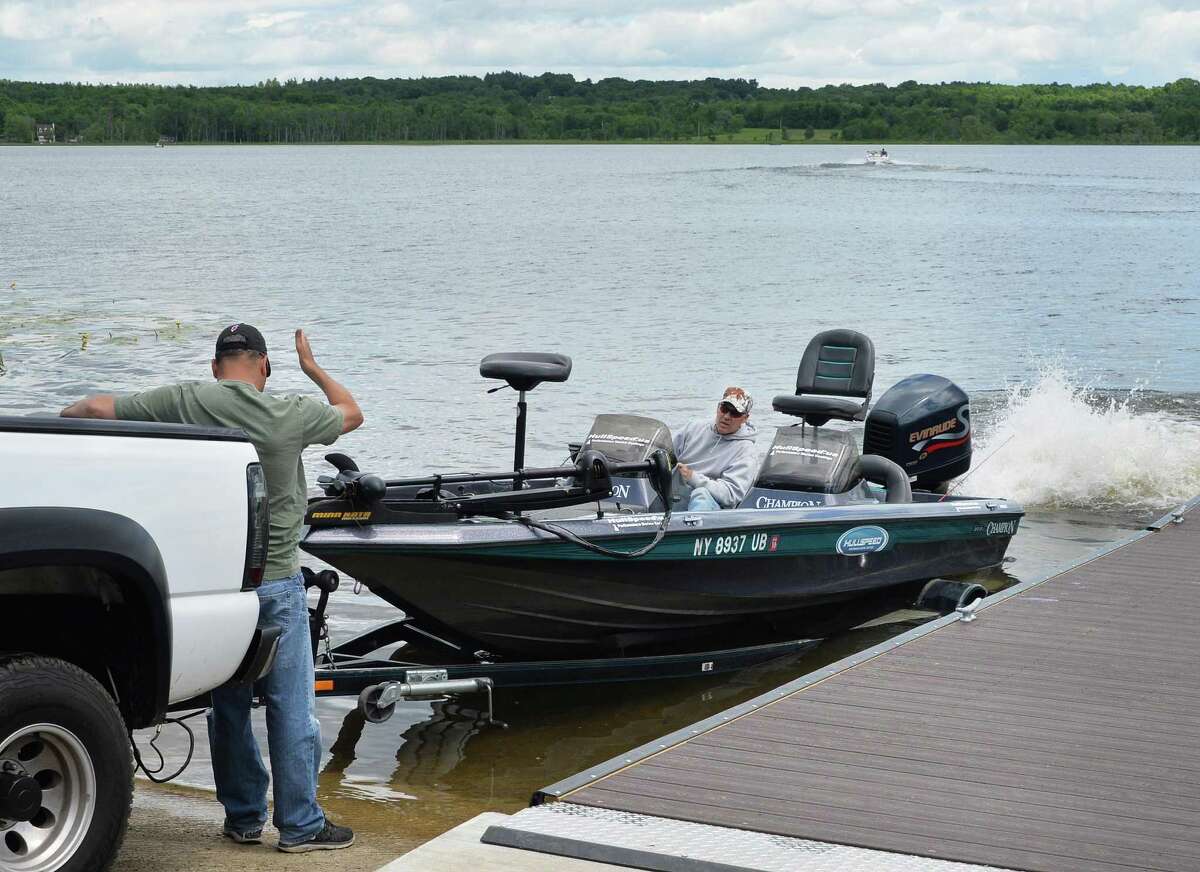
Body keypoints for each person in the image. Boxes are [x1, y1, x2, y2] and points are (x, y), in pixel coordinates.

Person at [61, 323, 364, 853]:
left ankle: (244, 818)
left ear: (214, 368)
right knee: (291, 709)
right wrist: (313, 368)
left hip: (219, 586)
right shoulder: (288, 414)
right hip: (276, 585)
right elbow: (352, 413)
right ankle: (300, 825)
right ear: (263, 367)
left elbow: (90, 410)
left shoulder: (185, 400)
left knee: (229, 707)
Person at [673, 386, 758, 511]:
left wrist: (693, 477)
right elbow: (666, 453)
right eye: (724, 409)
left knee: (701, 494)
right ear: (718, 408)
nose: (727, 417)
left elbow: (731, 495)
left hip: (713, 506)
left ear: (745, 418)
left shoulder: (746, 451)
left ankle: (692, 529)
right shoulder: (693, 428)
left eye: (735, 413)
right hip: (678, 493)